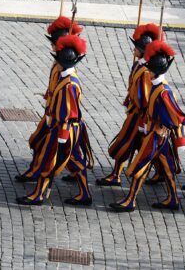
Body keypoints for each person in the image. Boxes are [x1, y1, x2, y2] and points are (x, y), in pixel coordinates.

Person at [109, 39, 185, 213]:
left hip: (156, 135)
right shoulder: (157, 86)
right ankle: (173, 198)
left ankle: (131, 200)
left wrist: (180, 138)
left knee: (140, 165)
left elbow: (177, 116)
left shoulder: (163, 91)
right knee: (167, 167)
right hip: (155, 133)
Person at [16, 34, 94, 206]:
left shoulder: (69, 84)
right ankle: (85, 193)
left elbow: (69, 110)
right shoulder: (66, 78)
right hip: (63, 127)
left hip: (64, 129)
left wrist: (62, 133)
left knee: (48, 159)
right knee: (74, 160)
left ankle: (38, 194)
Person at [17, 15, 83, 184]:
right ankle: (34, 171)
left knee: (57, 155)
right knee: (38, 143)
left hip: (61, 122)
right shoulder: (59, 68)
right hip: (51, 115)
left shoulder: (70, 82)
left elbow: (68, 108)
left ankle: (42, 185)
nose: (52, 46)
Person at [97, 23, 161, 187]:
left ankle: (160, 173)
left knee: (125, 144)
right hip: (133, 112)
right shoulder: (139, 65)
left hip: (139, 116)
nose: (134, 50)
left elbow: (145, 98)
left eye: (137, 48)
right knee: (131, 145)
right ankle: (117, 173)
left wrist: (141, 119)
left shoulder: (146, 71)